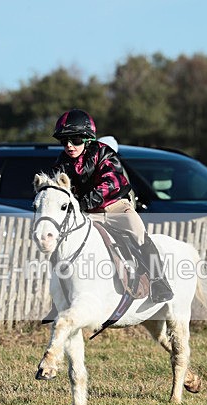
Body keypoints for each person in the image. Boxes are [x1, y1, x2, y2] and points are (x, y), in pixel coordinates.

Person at [51, 108, 173, 303]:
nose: (69, 145)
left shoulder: (103, 153)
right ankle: (63, 294)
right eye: (64, 141)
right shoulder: (61, 162)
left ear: (87, 139)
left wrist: (83, 202)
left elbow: (111, 183)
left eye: (75, 140)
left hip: (114, 206)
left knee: (138, 233)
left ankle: (159, 282)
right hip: (88, 212)